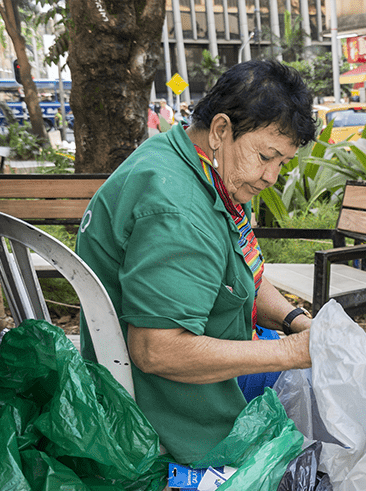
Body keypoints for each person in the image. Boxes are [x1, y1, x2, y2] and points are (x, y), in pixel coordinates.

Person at [76, 60, 317, 464]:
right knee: (327, 408)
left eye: (282, 163)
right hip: (168, 411)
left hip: (191, 376)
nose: (271, 176)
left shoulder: (186, 160)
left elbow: (244, 276)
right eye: (265, 156)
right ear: (221, 130)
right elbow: (157, 350)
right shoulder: (179, 211)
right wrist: (293, 352)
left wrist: (298, 323)